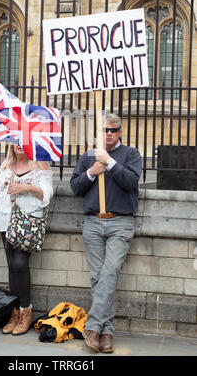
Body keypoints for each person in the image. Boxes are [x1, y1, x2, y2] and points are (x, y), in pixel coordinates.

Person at [70, 113, 142, 353]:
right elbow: (75, 187)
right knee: (98, 279)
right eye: (105, 130)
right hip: (92, 222)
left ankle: (93, 327)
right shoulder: (88, 156)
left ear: (120, 132)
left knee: (109, 273)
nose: (109, 133)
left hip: (120, 222)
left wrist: (110, 163)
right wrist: (92, 170)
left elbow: (131, 181)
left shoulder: (131, 154)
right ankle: (106, 332)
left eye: (113, 130)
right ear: (99, 132)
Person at [0, 144, 53, 336]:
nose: (18, 145)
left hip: (27, 221)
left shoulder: (40, 165)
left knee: (20, 262)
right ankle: (15, 311)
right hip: (6, 219)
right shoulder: (5, 167)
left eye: (23, 141)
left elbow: (47, 194)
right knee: (11, 266)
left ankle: (26, 311)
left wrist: (28, 187)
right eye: (15, 141)